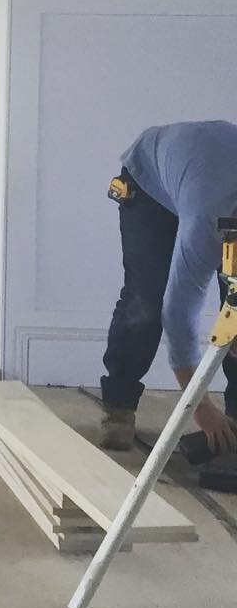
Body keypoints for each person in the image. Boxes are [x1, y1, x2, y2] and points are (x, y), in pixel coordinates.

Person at [99, 120, 237, 453]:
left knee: (231, 312)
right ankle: (120, 405)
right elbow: (178, 314)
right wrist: (198, 407)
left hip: (203, 172)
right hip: (150, 182)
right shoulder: (207, 225)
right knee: (146, 301)